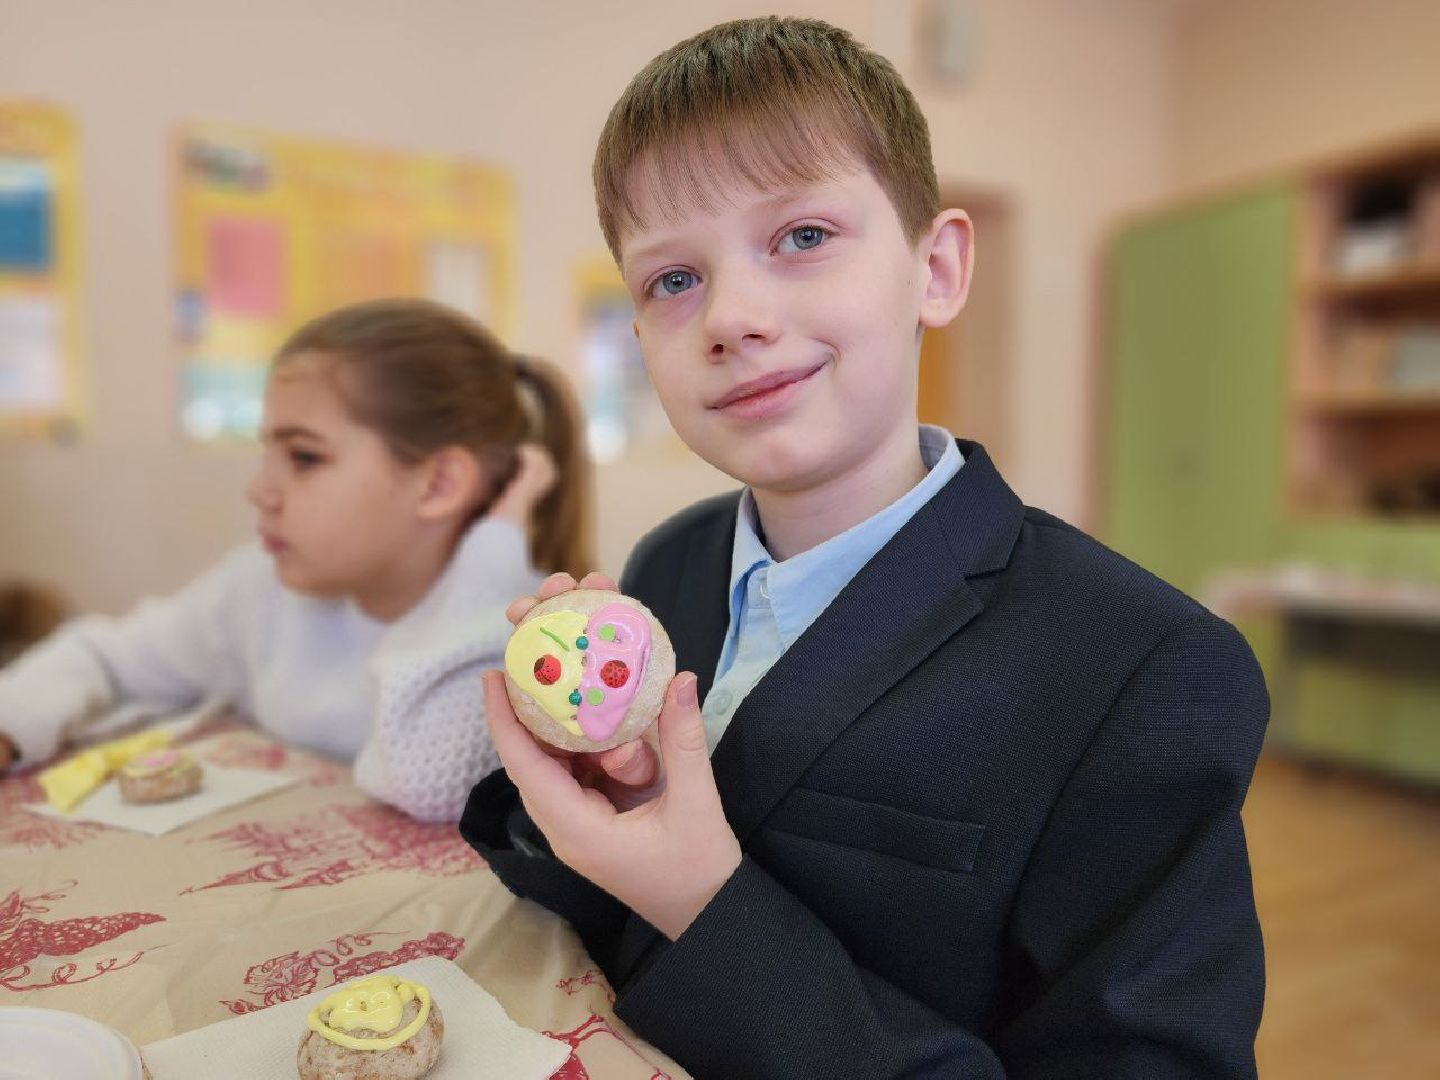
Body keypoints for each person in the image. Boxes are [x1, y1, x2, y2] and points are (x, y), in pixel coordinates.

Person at [461, 16, 1269, 1079]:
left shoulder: (1142, 670)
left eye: (801, 237)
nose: (733, 316)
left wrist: (704, 900)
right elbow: (603, 934)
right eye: (672, 280)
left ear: (936, 268)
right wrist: (581, 794)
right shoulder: (666, 567)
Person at [0, 298, 591, 822]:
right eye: (269, 454)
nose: (260, 490)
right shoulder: (259, 590)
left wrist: (493, 555)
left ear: (439, 484)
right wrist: (12, 722)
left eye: (305, 458)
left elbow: (427, 779)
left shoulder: (527, 633)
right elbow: (105, 655)